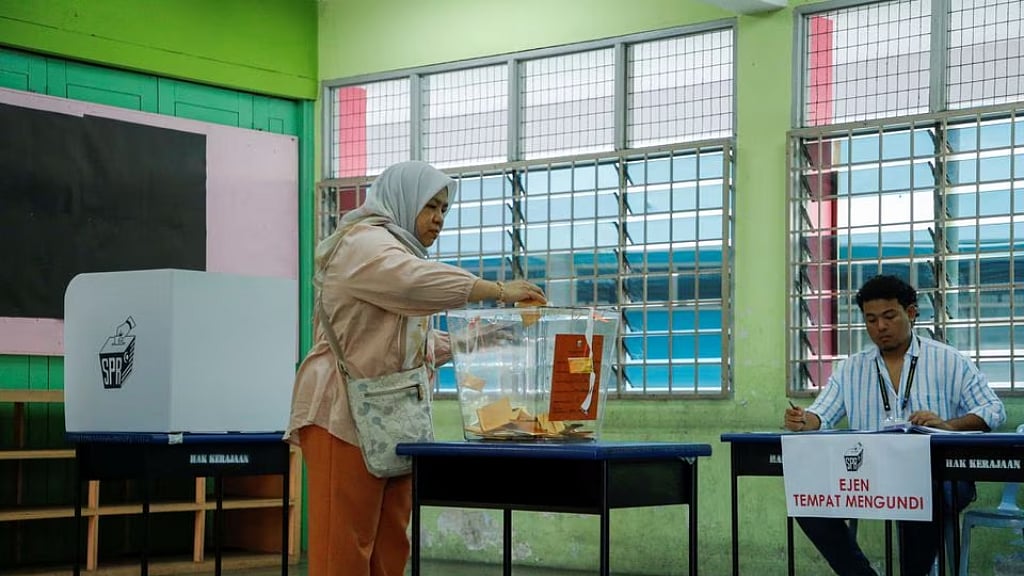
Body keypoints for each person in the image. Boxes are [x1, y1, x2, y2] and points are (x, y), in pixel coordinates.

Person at [285, 160, 546, 576]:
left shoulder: (399, 251)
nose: (438, 218)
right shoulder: (362, 245)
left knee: (390, 545)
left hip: (393, 417)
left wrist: (487, 336)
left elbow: (412, 346)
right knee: (345, 550)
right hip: (342, 413)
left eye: (444, 209)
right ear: (402, 201)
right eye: (430, 207)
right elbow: (411, 283)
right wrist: (496, 291)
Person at [784, 274, 1006, 576]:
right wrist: (804, 420)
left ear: (911, 313)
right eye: (871, 320)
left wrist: (949, 426)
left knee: (923, 489)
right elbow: (821, 415)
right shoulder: (852, 368)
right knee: (806, 495)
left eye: (889, 317)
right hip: (873, 479)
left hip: (939, 477)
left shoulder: (949, 361)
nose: (880, 327)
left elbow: (993, 410)